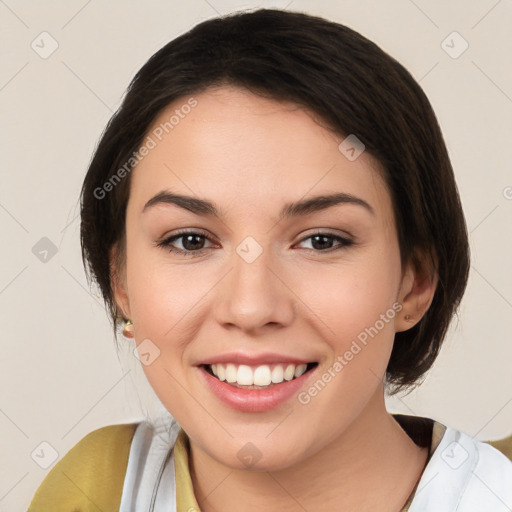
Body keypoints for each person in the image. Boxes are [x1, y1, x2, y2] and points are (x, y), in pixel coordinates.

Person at [28, 8, 512, 512]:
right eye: (190, 241)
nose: (251, 307)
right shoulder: (95, 490)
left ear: (414, 283)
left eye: (322, 241)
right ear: (121, 282)